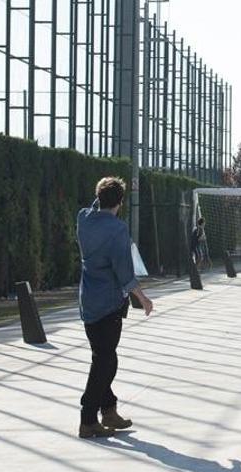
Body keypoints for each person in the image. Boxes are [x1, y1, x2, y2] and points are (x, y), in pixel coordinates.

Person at [76, 177, 153, 439]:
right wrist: (143, 298)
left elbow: (92, 205)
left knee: (103, 356)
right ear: (121, 202)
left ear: (99, 197)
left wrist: (102, 195)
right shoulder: (117, 229)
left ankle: (109, 410)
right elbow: (124, 272)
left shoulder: (83, 219)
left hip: (87, 300)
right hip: (109, 303)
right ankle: (88, 418)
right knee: (105, 361)